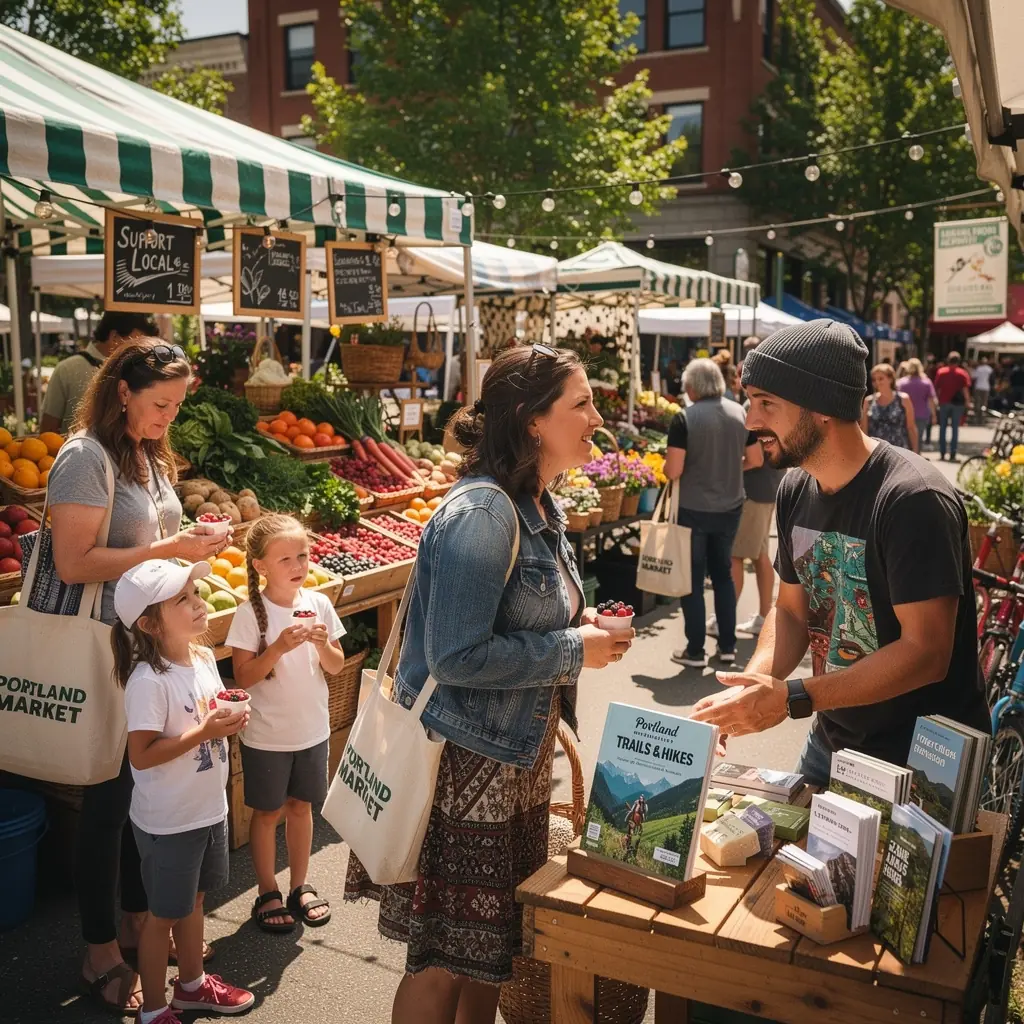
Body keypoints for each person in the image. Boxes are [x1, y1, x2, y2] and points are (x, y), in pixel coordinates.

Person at [344, 344, 632, 1024]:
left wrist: (579, 624)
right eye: (581, 403)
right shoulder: (485, 512)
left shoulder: (536, 502)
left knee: (490, 952)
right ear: (533, 420)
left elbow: (516, 616)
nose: (597, 416)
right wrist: (572, 649)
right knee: (443, 960)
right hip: (465, 768)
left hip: (510, 766)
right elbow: (456, 655)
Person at [690, 320, 990, 785]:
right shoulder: (795, 487)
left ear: (823, 407)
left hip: (921, 764)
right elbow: (790, 612)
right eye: (751, 402)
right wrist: (752, 689)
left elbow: (926, 652)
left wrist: (792, 697)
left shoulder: (913, 499)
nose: (751, 421)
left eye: (767, 403)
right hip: (831, 740)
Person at [35, 339, 228, 1014]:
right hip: (98, 644)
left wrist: (193, 546)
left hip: (138, 644)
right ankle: (98, 953)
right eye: (159, 404)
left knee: (134, 790)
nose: (168, 418)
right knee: (107, 801)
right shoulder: (84, 457)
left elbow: (150, 551)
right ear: (122, 391)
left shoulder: (146, 454)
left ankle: (133, 926)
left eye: (177, 406)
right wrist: (171, 548)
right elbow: (73, 563)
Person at [112, 559, 254, 1024]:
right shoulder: (148, 682)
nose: (198, 604)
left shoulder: (203, 658)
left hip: (207, 808)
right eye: (184, 600)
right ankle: (152, 1010)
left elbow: (204, 718)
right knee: (161, 917)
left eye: (195, 594)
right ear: (150, 624)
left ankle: (191, 987)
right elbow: (142, 755)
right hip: (170, 820)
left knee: (193, 902)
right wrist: (206, 731)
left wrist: (225, 723)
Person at [227, 514, 347, 933]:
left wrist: (321, 643)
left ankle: (300, 884)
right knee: (267, 812)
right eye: (286, 559)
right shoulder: (249, 614)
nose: (298, 565)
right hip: (266, 735)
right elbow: (243, 677)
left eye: (303, 555)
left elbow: (335, 665)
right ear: (260, 566)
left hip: (311, 730)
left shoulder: (320, 604)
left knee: (301, 807)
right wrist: (277, 647)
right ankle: (267, 890)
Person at [665, 358, 764, 668]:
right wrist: (734, 468)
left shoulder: (685, 418)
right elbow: (757, 459)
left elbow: (674, 469)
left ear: (692, 387)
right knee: (723, 575)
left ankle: (695, 649)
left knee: (692, 579)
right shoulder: (740, 413)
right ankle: (728, 647)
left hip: (693, 509)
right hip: (731, 506)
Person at [40, 312, 158, 434]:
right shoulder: (67, 370)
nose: (140, 351)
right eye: (135, 343)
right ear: (115, 337)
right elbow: (48, 430)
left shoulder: (139, 372)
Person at [861, 363, 917, 451]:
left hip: (900, 451)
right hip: (876, 452)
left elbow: (911, 427)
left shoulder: (903, 399)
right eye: (874, 380)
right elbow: (864, 430)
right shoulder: (869, 401)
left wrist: (916, 452)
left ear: (890, 379)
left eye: (881, 378)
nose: (877, 382)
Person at [934, 351, 973, 461]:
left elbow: (937, 388)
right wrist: (968, 402)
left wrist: (936, 401)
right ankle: (953, 453)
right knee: (955, 429)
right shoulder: (962, 373)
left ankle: (942, 453)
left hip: (944, 402)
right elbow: (965, 389)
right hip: (957, 404)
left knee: (942, 428)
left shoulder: (941, 372)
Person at [897, 358, 938, 452]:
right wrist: (934, 415)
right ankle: (917, 458)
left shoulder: (901, 383)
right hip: (922, 415)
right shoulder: (926, 382)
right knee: (918, 439)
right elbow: (931, 401)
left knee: (906, 438)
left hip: (905, 414)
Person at [972, 355, 994, 423]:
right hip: (986, 387)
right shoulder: (989, 369)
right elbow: (992, 379)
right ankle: (982, 417)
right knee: (984, 403)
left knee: (977, 403)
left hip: (978, 387)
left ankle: (977, 417)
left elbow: (974, 377)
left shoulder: (978, 368)